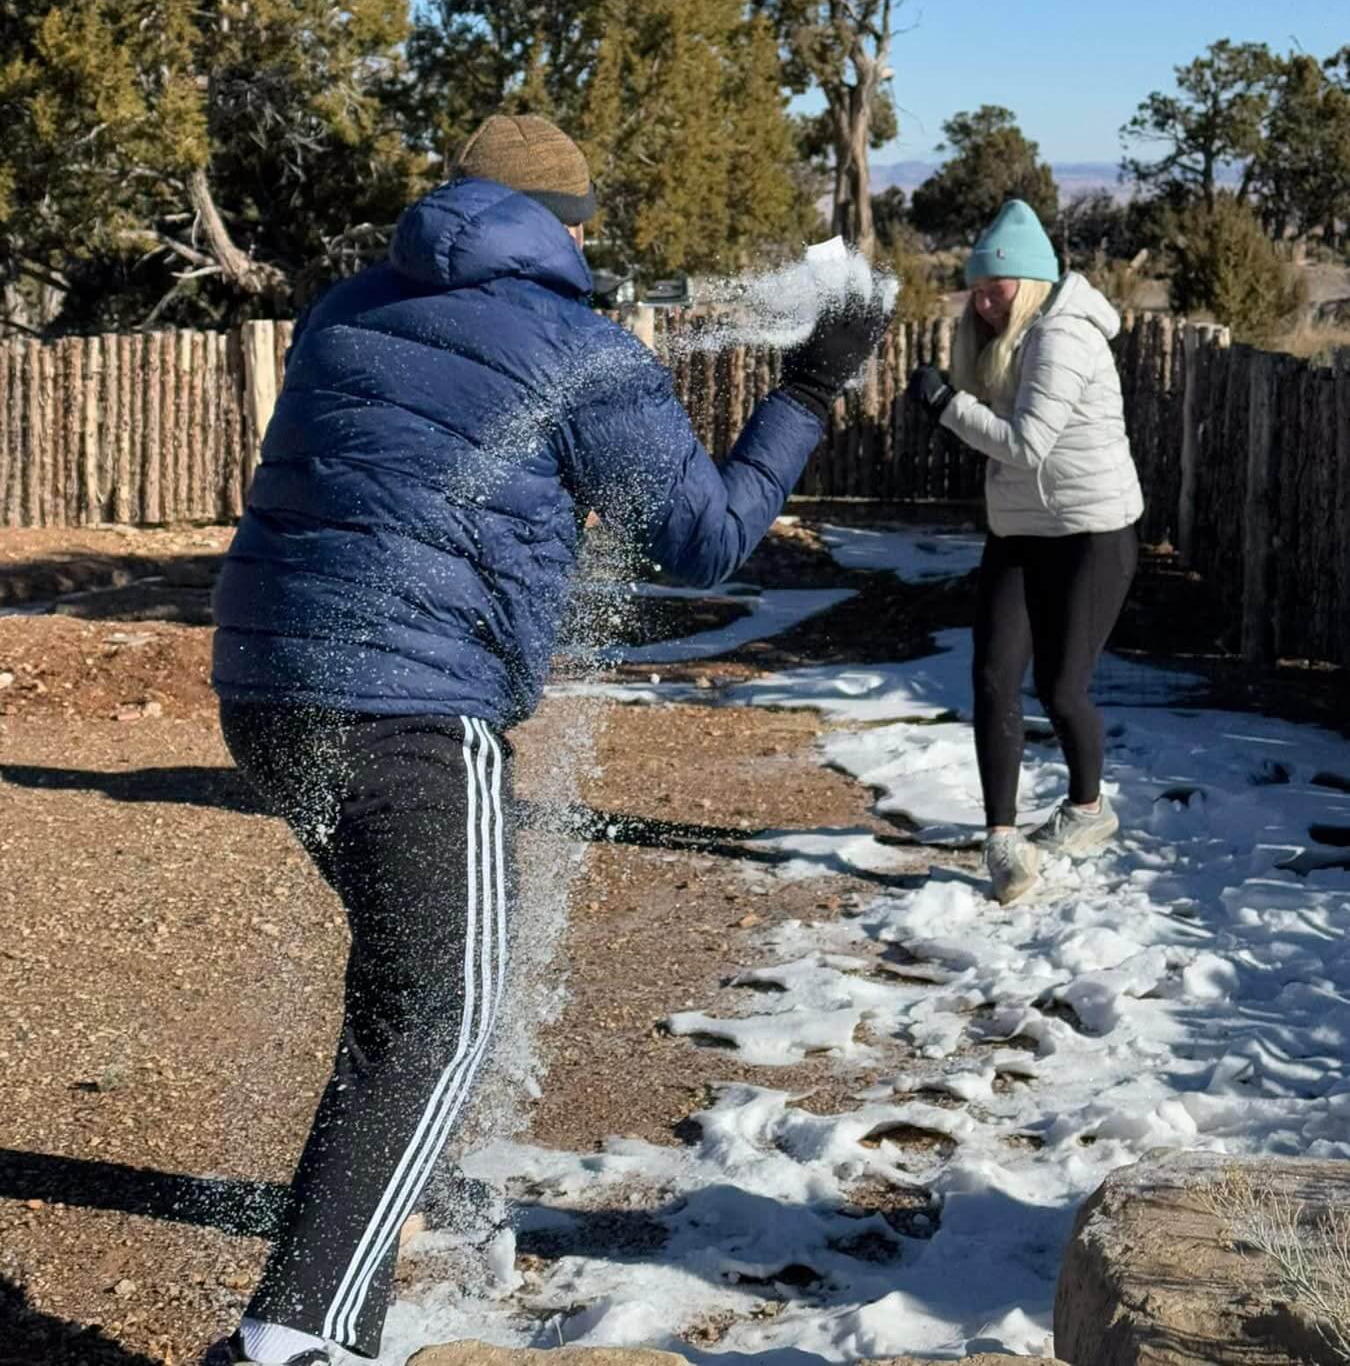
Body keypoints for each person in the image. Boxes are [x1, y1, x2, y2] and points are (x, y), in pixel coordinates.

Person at [203, 113, 889, 1366]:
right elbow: (705, 539)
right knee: (439, 1013)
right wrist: (807, 388)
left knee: (408, 989)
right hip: (411, 703)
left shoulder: (347, 309)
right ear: (570, 231)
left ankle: (366, 1248)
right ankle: (298, 1336)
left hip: (262, 686)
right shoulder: (579, 348)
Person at [906, 199, 1143, 907]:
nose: (983, 299)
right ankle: (1003, 841)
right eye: (976, 286)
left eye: (996, 286)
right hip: (1020, 530)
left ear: (1032, 283)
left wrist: (947, 404)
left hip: (1091, 534)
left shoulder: (1063, 337)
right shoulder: (1008, 338)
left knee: (1062, 689)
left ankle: (1090, 810)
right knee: (990, 675)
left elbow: (1027, 445)